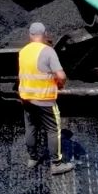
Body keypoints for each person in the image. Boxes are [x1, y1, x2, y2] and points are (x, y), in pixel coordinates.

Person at [18, 22, 74, 176]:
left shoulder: (23, 52)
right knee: (53, 130)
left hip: (26, 98)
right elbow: (61, 75)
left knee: (31, 127)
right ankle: (56, 164)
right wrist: (60, 83)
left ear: (30, 35)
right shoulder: (48, 52)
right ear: (45, 34)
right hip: (45, 98)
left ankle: (32, 158)